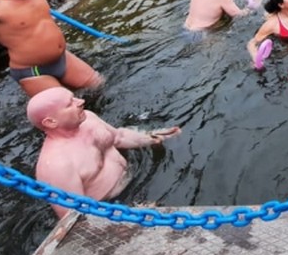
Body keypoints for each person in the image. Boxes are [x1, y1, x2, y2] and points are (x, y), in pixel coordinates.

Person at [28, 88, 180, 218]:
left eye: (74, 97)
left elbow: (119, 137)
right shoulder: (56, 165)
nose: (80, 101)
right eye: (70, 104)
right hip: (113, 205)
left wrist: (152, 138)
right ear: (50, 122)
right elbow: (75, 217)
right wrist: (131, 213)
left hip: (136, 179)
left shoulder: (88, 119)